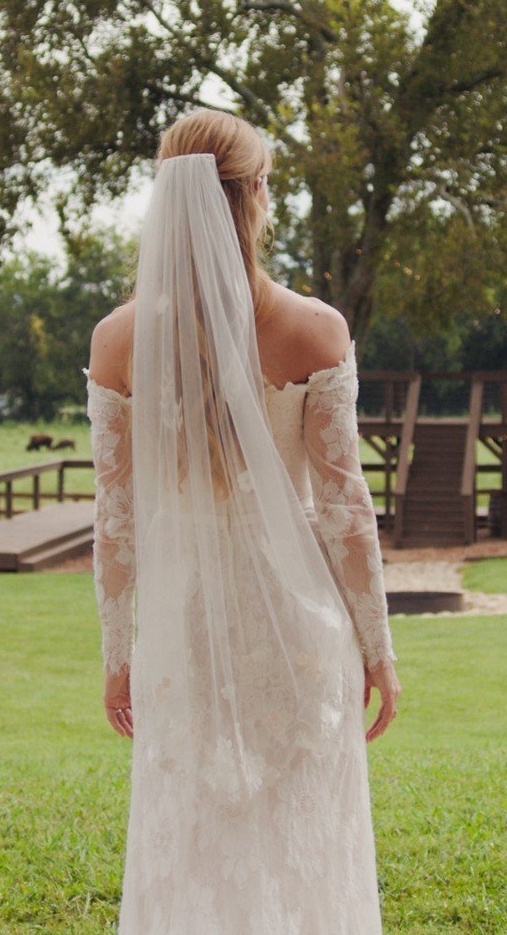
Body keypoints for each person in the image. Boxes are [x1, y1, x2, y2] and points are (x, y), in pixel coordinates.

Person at [85, 108, 401, 933]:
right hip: (298, 635)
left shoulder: (118, 342)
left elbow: (114, 522)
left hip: (180, 638)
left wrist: (119, 654)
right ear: (254, 195)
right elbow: (343, 511)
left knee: (192, 848)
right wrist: (378, 651)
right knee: (303, 847)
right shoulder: (314, 329)